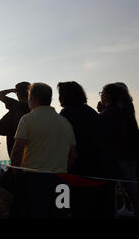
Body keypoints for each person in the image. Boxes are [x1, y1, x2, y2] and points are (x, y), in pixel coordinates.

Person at [10, 83, 77, 219]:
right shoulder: (65, 122)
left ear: (33, 98)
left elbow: (17, 150)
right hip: (62, 181)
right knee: (61, 216)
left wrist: (15, 172)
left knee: (36, 213)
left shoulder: (27, 119)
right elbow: (73, 154)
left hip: (35, 179)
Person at [57, 81, 116, 218]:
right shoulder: (91, 112)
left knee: (73, 209)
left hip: (78, 173)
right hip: (102, 171)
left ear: (64, 97)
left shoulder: (65, 116)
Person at [99, 83, 139, 217]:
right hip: (129, 153)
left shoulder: (109, 114)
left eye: (102, 93)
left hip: (119, 155)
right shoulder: (125, 110)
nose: (101, 96)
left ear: (108, 96)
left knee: (123, 186)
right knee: (130, 184)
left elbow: (106, 136)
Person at [0, 82, 31, 159]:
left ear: (18, 93)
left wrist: (12, 90)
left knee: (15, 160)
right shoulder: (33, 106)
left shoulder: (14, 104)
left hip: (13, 138)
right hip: (29, 138)